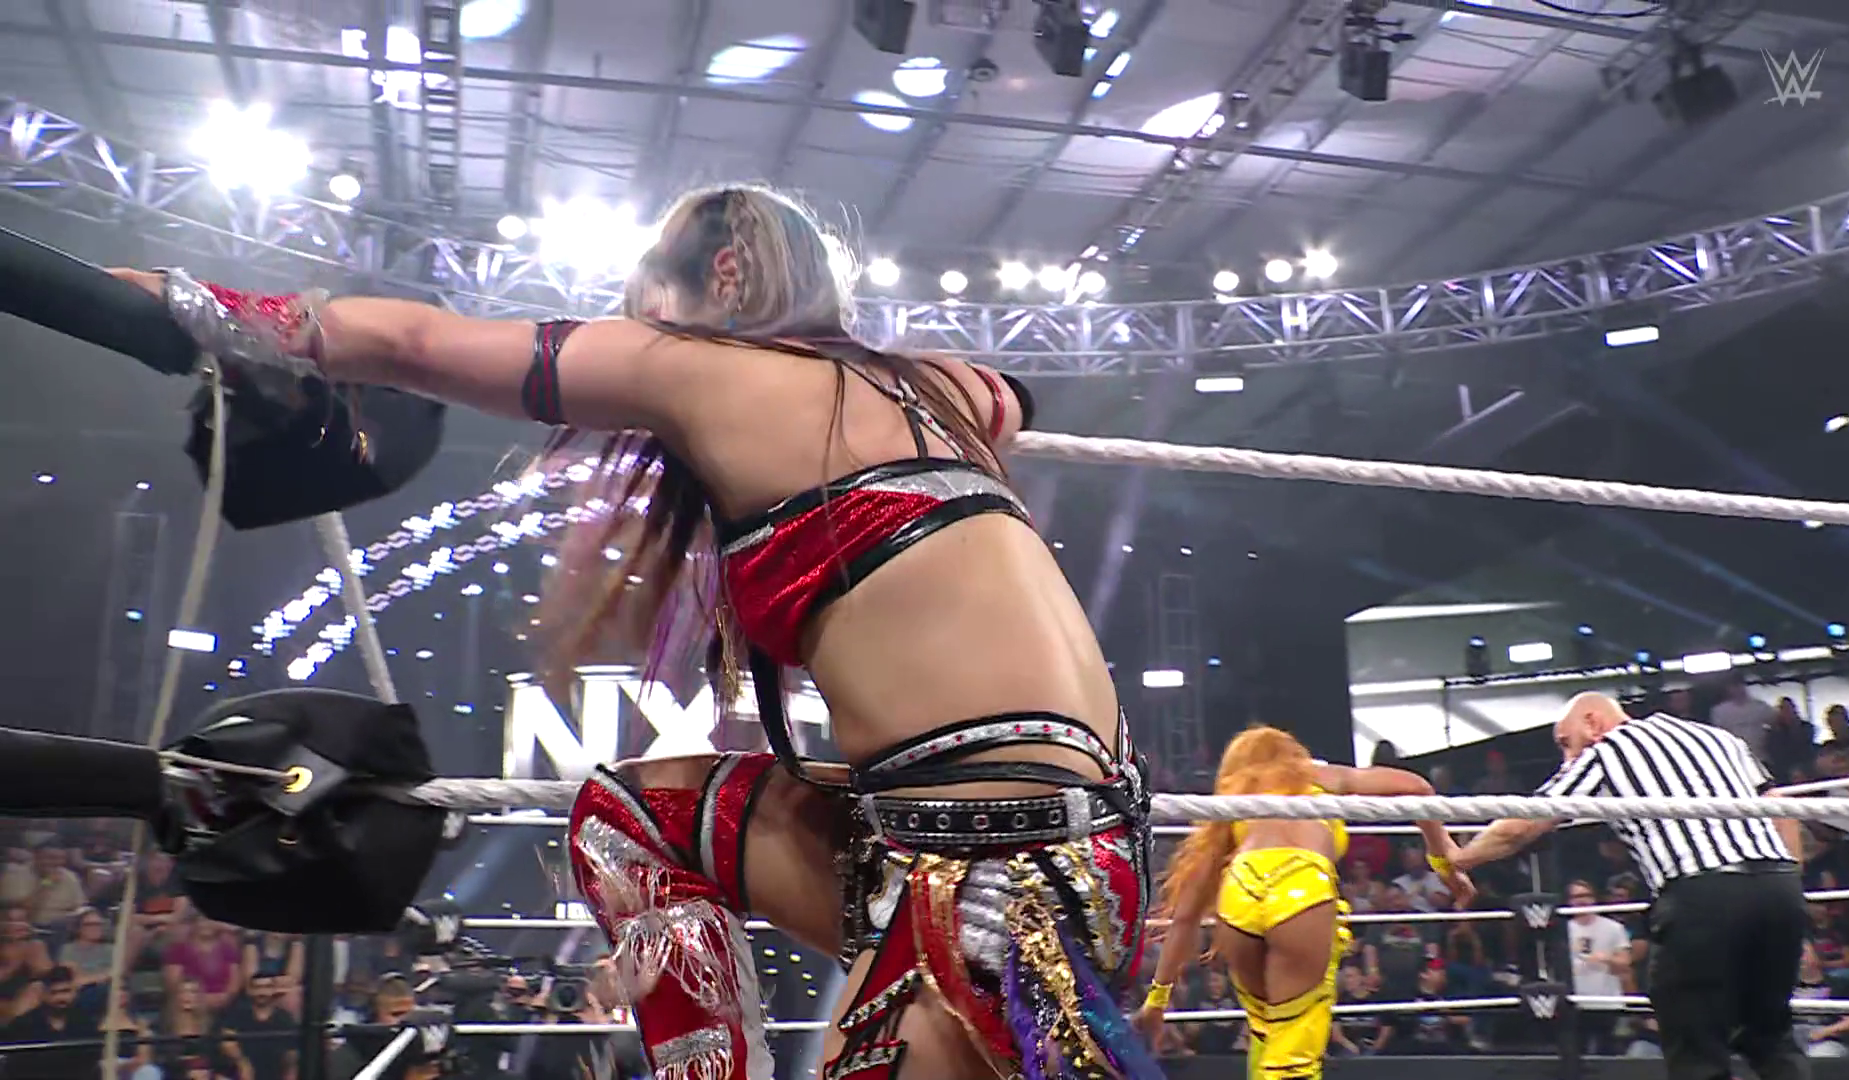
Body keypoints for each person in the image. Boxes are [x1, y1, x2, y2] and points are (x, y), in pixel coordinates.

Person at [112, 183, 1146, 1080]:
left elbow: (414, 344)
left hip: (990, 875)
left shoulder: (696, 369)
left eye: (648, 285)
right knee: (632, 816)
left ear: (726, 273)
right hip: (1070, 849)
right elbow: (1011, 397)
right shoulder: (942, 388)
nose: (632, 318)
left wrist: (173, 305)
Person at [1435, 692, 1805, 1080]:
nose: (1567, 758)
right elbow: (1781, 806)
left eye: (1566, 743)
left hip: (1703, 894)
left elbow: (1523, 825)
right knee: (1771, 1035)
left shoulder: (1608, 749)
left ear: (1593, 722)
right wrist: (1791, 883)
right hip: (1778, 889)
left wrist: (1455, 859)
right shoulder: (1717, 737)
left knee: (1693, 1041)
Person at [1132, 726, 1471, 1079]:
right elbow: (1417, 788)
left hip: (1241, 889)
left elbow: (1186, 916)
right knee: (1294, 1057)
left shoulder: (1238, 795)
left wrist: (1157, 1000)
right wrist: (1443, 861)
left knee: (1267, 1034)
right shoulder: (1317, 777)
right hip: (1299, 886)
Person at [1563, 879, 1631, 1055]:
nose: (1581, 900)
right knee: (1576, 1052)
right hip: (1575, 1002)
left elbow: (1625, 963)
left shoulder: (1614, 928)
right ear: (1569, 901)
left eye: (1586, 895)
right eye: (1576, 896)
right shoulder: (1562, 930)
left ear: (1594, 898)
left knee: (1606, 1052)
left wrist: (1606, 958)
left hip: (1606, 1001)